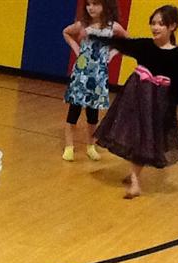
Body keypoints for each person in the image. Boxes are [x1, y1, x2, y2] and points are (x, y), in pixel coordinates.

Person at [92, 5, 178, 199]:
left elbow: (175, 86)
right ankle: (135, 179)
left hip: (156, 103)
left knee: (145, 137)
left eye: (161, 24)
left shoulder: (176, 55)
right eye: (153, 23)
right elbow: (122, 44)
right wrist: (95, 37)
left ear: (172, 26)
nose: (155, 27)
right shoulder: (145, 46)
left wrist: (169, 111)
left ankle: (135, 178)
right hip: (135, 98)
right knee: (137, 135)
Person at [62, 0, 128, 162]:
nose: (91, 8)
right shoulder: (82, 25)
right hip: (81, 75)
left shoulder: (113, 27)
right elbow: (66, 32)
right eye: (88, 4)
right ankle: (69, 146)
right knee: (73, 111)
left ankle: (90, 145)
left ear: (106, 5)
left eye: (95, 4)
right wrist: (76, 48)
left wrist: (112, 54)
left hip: (98, 77)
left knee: (93, 114)